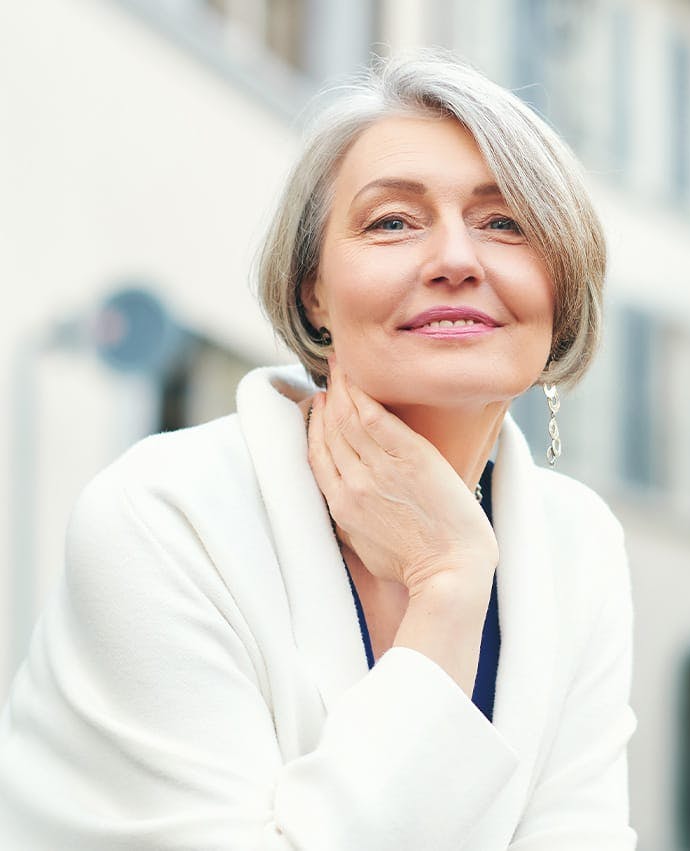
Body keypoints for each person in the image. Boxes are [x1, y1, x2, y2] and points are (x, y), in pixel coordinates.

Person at [0, 51, 637, 849]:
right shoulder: (163, 515)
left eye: (504, 222)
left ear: (562, 286)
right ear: (314, 290)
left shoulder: (580, 543)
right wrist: (447, 589)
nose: (455, 260)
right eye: (392, 222)